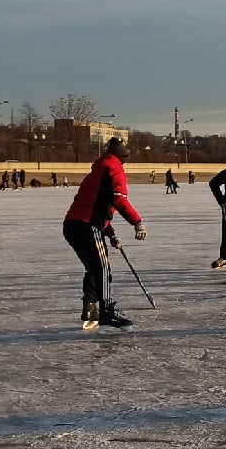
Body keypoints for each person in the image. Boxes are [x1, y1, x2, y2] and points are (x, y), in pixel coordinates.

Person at [63, 137, 147, 330]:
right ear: (123, 157)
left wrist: (111, 233)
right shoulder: (115, 169)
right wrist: (137, 222)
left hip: (72, 226)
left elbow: (96, 207)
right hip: (87, 226)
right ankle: (107, 311)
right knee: (103, 268)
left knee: (94, 267)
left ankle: (90, 307)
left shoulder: (98, 170)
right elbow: (119, 200)